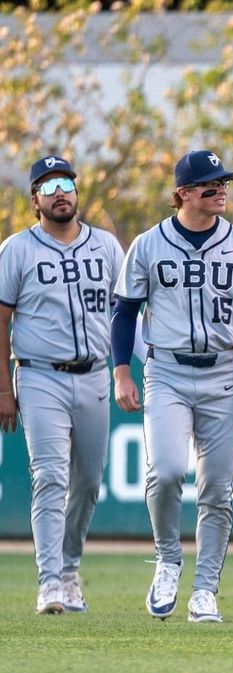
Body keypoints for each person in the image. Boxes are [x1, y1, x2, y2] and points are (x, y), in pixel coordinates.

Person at [112, 150, 233, 623]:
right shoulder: (148, 243)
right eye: (210, 183)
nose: (220, 189)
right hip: (165, 370)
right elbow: (125, 312)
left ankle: (205, 590)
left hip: (223, 373)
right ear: (183, 193)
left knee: (216, 490)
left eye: (223, 182)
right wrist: (122, 370)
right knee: (165, 471)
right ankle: (167, 559)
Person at [0, 156, 124, 614]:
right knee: (50, 477)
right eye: (48, 185)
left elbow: (125, 315)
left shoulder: (107, 246)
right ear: (35, 199)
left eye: (66, 183)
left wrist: (126, 370)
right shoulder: (16, 249)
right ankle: (50, 581)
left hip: (93, 374)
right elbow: (1, 320)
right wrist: (2, 388)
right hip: (38, 374)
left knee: (88, 482)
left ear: (76, 191)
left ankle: (70, 569)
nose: (59, 192)